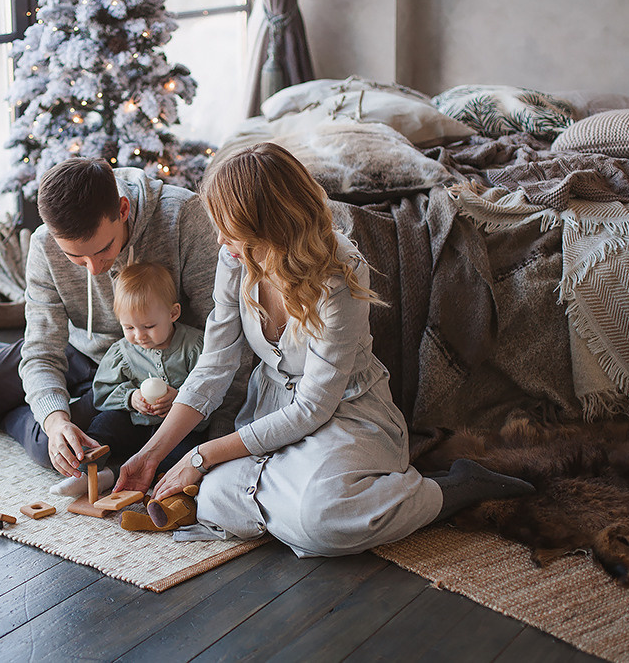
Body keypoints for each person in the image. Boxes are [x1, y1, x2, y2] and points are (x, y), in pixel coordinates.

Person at [115, 143, 534, 557]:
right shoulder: (235, 258)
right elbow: (214, 364)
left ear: (271, 224)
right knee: (215, 498)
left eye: (232, 229)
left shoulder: (340, 271)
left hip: (345, 414)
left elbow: (314, 406)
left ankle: (448, 490)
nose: (222, 240)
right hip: (272, 412)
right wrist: (150, 455)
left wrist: (202, 454)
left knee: (322, 517)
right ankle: (293, 502)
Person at [0, 158, 238, 481]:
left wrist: (213, 444)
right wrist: (55, 419)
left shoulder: (183, 217)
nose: (95, 269)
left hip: (136, 369)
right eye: (76, 257)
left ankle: (5, 405)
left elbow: (224, 342)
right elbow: (43, 350)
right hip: (74, 351)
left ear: (123, 210)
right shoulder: (45, 245)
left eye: (104, 249)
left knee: (56, 451)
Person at [86, 261, 209, 469]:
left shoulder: (194, 346)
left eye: (149, 326)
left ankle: (116, 475)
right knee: (102, 426)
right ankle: (86, 471)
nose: (139, 335)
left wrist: (180, 398)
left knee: (188, 455)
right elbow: (101, 392)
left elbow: (211, 390)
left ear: (173, 314)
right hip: (135, 424)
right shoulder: (122, 351)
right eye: (129, 327)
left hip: (178, 431)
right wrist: (131, 398)